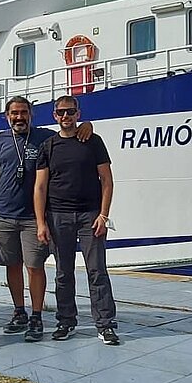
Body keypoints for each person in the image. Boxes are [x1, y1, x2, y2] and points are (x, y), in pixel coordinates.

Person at [35, 94, 119, 345]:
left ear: (78, 114)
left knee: (97, 270)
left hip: (90, 215)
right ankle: (66, 320)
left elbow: (106, 180)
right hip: (58, 215)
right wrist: (41, 222)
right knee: (63, 272)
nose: (65, 117)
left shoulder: (93, 141)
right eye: (61, 112)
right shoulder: (48, 146)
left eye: (70, 112)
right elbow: (40, 187)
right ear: (54, 116)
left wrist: (104, 215)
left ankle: (105, 324)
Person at [0, 97, 54, 342]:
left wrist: (86, 126)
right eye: (14, 113)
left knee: (35, 266)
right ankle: (19, 311)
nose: (19, 117)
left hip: (33, 217)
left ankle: (37, 314)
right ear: (7, 116)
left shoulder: (45, 137)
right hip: (4, 214)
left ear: (31, 114)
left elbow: (70, 135)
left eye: (23, 112)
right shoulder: (0, 140)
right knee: (12, 265)